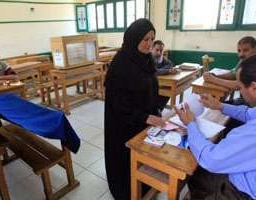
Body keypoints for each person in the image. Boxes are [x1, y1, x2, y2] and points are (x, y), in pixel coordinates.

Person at [174, 55, 256, 200]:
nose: (240, 91)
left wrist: (191, 125)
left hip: (243, 192)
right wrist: (219, 106)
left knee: (196, 169)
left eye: (240, 87)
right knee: (198, 173)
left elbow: (212, 159)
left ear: (254, 87)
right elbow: (249, 114)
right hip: (244, 175)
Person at [104, 18, 165, 200]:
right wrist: (145, 117)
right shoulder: (120, 64)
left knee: (144, 159)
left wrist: (157, 109)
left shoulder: (146, 60)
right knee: (125, 162)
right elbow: (118, 103)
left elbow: (150, 88)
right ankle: (127, 191)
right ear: (134, 38)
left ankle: (145, 184)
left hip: (143, 120)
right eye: (145, 39)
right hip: (124, 125)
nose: (149, 44)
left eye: (152, 39)